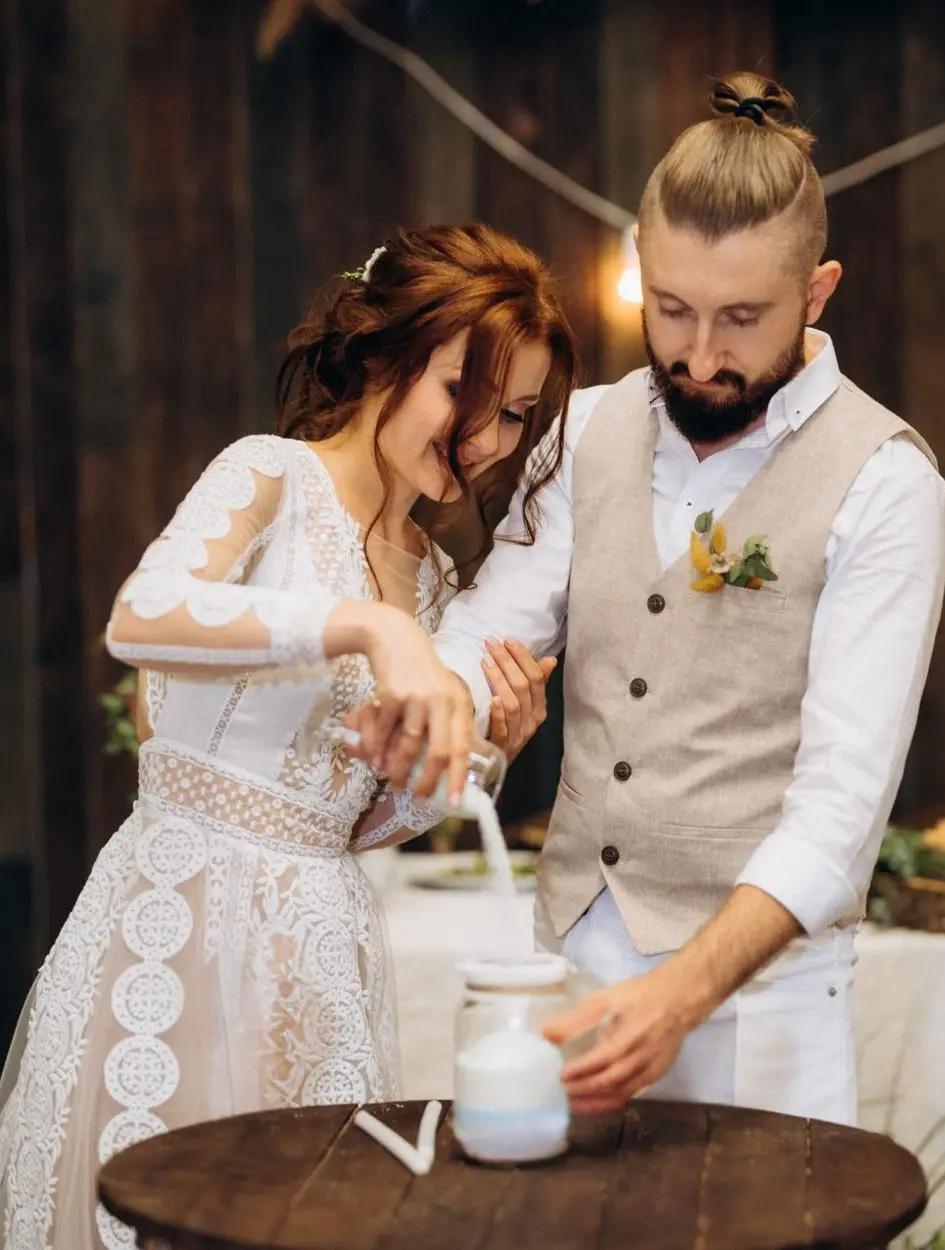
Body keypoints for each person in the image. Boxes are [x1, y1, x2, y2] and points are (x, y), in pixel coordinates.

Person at [373, 72, 945, 1126]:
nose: (696, 354)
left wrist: (681, 995)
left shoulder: (887, 485)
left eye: (740, 318)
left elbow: (839, 809)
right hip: (572, 964)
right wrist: (436, 703)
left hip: (761, 1007)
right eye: (671, 308)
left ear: (818, 291)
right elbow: (486, 627)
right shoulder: (583, 429)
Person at [0, 222, 574, 1250]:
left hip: (316, 948)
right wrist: (367, 623)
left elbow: (356, 813)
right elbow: (142, 614)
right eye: (464, 394)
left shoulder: (434, 576)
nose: (486, 439)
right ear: (385, 355)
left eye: (516, 414)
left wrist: (488, 747)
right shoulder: (270, 477)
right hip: (182, 915)